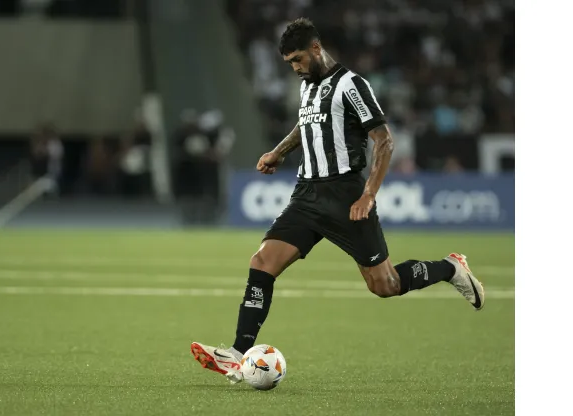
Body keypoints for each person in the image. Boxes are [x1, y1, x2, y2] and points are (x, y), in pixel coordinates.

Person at [190, 18, 485, 384]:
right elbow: (307, 123)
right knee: (263, 262)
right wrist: (279, 151)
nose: (295, 68)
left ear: (316, 49)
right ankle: (238, 352)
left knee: (385, 285)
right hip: (306, 194)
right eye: (289, 63)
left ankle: (451, 267)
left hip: (345, 196)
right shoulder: (307, 87)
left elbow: (384, 140)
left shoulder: (352, 85)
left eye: (298, 59)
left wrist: (368, 195)